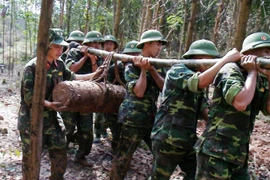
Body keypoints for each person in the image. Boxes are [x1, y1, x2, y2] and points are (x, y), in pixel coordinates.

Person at [149, 39, 241, 180]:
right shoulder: (178, 70)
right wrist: (225, 60)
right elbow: (198, 82)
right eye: (211, 60)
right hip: (167, 138)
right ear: (198, 58)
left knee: (196, 174)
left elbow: (206, 111)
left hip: (188, 140)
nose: (214, 64)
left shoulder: (201, 81)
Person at [18, 28, 97, 180]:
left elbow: (72, 77)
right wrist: (49, 104)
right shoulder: (32, 67)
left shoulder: (59, 64)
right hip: (31, 120)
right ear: (46, 46)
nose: (60, 50)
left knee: (60, 151)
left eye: (61, 47)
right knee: (31, 158)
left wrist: (94, 75)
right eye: (56, 46)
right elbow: (29, 97)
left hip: (52, 119)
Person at [194, 32, 270, 180]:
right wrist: (252, 72)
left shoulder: (261, 78)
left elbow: (268, 109)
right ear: (249, 53)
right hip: (215, 153)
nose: (269, 56)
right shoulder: (230, 69)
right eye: (266, 51)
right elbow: (240, 102)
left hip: (239, 154)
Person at [110, 29, 167, 180]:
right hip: (133, 119)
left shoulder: (159, 66)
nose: (160, 47)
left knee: (160, 155)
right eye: (157, 44)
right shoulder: (130, 66)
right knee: (123, 157)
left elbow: (164, 88)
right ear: (147, 44)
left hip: (151, 118)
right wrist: (143, 69)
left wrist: (152, 70)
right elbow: (139, 92)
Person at [63, 30, 104, 166]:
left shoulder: (100, 58)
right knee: (67, 127)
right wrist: (85, 57)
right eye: (94, 43)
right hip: (71, 96)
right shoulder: (74, 52)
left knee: (86, 131)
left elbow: (98, 76)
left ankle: (81, 155)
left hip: (87, 98)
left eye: (99, 44)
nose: (97, 46)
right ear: (87, 43)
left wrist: (93, 60)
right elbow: (71, 70)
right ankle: (60, 153)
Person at [93, 34, 119, 144]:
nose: (108, 46)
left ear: (114, 46)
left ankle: (105, 131)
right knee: (99, 112)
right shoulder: (97, 57)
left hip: (112, 88)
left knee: (110, 113)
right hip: (99, 87)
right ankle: (97, 134)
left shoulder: (117, 59)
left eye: (111, 44)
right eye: (107, 43)